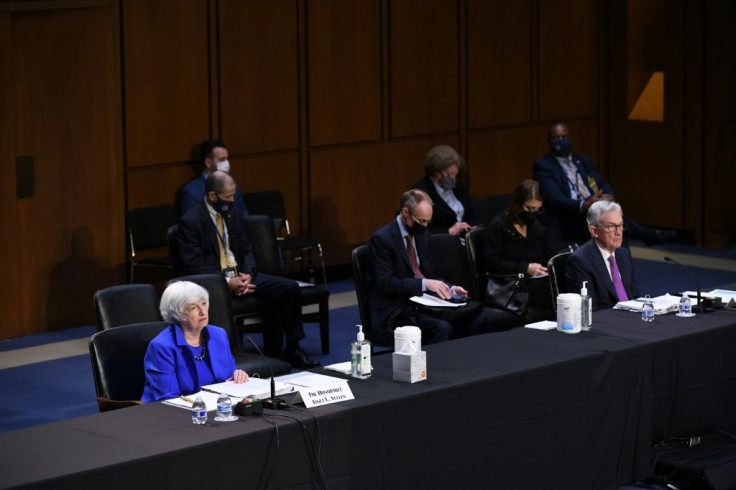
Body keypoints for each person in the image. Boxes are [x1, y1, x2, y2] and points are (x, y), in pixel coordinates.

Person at [177, 171, 319, 368]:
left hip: (241, 274)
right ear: (212, 196)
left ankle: (292, 348)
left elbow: (246, 248)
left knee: (289, 288)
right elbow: (194, 265)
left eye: (233, 195)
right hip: (214, 281)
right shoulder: (190, 221)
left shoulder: (232, 213)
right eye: (228, 197)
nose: (233, 200)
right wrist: (227, 282)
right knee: (218, 295)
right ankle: (225, 358)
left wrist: (248, 274)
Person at [533, 121, 675, 247]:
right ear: (549, 141)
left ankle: (625, 271)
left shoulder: (582, 161)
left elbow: (601, 183)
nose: (561, 141)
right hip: (571, 216)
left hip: (596, 209)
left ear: (571, 138)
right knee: (613, 221)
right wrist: (584, 205)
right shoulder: (544, 166)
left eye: (564, 137)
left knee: (613, 220)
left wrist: (608, 195)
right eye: (556, 138)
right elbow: (555, 199)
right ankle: (645, 234)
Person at [367, 189, 474, 345]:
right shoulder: (382, 239)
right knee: (441, 327)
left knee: (468, 317)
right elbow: (385, 284)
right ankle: (432, 368)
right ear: (405, 212)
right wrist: (423, 284)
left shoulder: (422, 235)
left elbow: (429, 273)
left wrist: (450, 288)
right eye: (421, 221)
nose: (425, 226)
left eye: (428, 222)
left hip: (421, 300)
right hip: (396, 306)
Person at [141, 280, 249, 403]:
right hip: (175, 415)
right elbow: (167, 398)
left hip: (216, 409)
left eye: (203, 304)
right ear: (177, 313)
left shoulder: (218, 335)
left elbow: (229, 379)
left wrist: (237, 376)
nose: (203, 311)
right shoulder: (162, 347)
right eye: (193, 307)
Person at [565, 200, 640, 310]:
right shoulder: (580, 262)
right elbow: (589, 310)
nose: (618, 232)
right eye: (611, 226)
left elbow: (634, 295)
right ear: (594, 231)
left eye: (621, 225)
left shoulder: (623, 254)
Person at [482, 180, 553, 277]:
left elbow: (547, 255)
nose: (533, 213)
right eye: (530, 208)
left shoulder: (536, 226)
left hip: (536, 281)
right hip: (508, 284)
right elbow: (492, 263)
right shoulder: (498, 226)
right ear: (517, 203)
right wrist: (525, 268)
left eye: (537, 209)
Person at [411, 145, 479, 235]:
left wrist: (473, 227)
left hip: (464, 240)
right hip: (442, 244)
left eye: (455, 174)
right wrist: (448, 231)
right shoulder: (420, 191)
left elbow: (471, 214)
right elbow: (416, 228)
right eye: (449, 174)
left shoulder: (458, 186)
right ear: (437, 172)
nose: (453, 179)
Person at [178, 139, 248, 217]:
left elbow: (243, 215)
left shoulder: (232, 185)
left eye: (227, 159)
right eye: (222, 159)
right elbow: (191, 225)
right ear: (208, 163)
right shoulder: (191, 192)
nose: (227, 163)